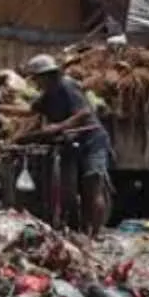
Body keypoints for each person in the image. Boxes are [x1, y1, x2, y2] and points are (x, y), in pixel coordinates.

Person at [22, 53, 113, 238]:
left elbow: (85, 113)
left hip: (92, 140)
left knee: (92, 185)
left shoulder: (67, 85)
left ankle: (94, 234)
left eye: (37, 79)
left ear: (46, 76)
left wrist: (59, 126)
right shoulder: (48, 94)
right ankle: (75, 227)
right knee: (68, 189)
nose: (36, 83)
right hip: (72, 142)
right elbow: (29, 112)